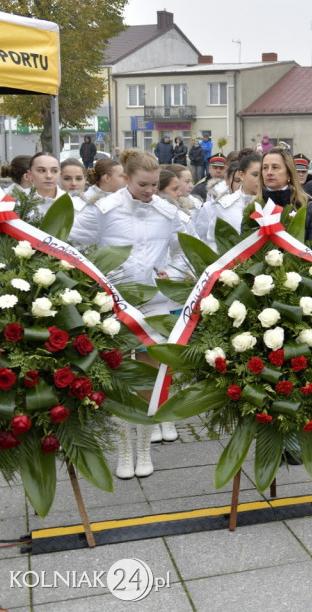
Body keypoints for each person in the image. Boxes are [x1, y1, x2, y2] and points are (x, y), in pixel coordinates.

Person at [69, 149, 190, 477]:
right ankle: (124, 448)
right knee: (120, 378)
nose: (150, 191)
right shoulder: (103, 210)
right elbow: (73, 246)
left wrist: (174, 274)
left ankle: (143, 447)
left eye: (154, 185)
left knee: (149, 379)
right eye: (143, 185)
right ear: (125, 178)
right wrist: (100, 277)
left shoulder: (167, 211)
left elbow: (185, 251)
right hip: (116, 305)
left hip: (156, 304)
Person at [194, 152, 261, 246]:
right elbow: (208, 240)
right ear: (242, 175)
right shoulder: (221, 206)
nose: (260, 179)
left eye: (262, 175)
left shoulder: (270, 206)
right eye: (255, 174)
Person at [261, 147, 312, 241]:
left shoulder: (308, 206)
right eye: (265, 168)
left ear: (289, 173)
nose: (269, 172)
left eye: (275, 167)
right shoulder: (254, 207)